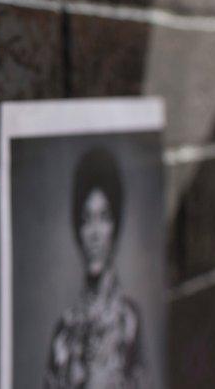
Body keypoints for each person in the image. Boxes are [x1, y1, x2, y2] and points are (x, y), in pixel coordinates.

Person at [45, 148, 145, 389]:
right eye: (86, 220)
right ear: (78, 230)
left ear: (115, 226)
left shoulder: (128, 320)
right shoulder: (64, 332)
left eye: (104, 217)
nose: (95, 234)